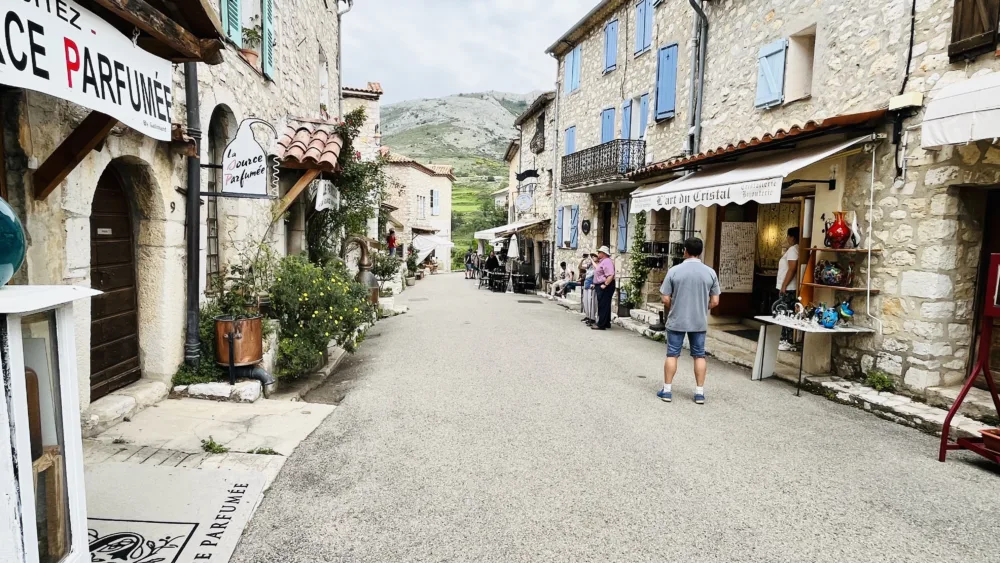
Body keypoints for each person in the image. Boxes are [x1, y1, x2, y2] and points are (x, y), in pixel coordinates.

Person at [658, 238, 721, 405]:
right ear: (700, 251)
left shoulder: (674, 271)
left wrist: (675, 306)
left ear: (685, 250)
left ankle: (667, 390)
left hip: (677, 319)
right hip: (699, 321)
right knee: (699, 355)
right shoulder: (710, 272)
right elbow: (715, 301)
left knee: (672, 354)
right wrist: (701, 307)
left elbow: (665, 298)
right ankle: (699, 393)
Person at [775, 227, 800, 351]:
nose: (787, 239)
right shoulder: (796, 249)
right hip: (791, 286)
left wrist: (784, 285)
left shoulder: (793, 250)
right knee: (787, 312)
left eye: (788, 236)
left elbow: (792, 268)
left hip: (789, 287)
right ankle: (786, 339)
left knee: (785, 312)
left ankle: (786, 340)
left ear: (792, 237)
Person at [592, 246, 616, 331]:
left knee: (603, 305)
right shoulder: (604, 261)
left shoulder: (607, 261)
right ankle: (606, 322)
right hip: (602, 285)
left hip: (605, 285)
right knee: (605, 304)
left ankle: (601, 324)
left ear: (603, 253)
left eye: (599, 252)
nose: (598, 253)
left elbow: (610, 274)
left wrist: (605, 284)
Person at [581, 252, 598, 325]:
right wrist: (582, 260)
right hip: (586, 284)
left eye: (594, 256)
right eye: (592, 256)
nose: (592, 257)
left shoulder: (598, 264)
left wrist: (592, 260)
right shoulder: (589, 265)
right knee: (585, 301)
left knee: (591, 302)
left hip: (592, 284)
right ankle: (588, 316)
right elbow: (580, 267)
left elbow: (597, 269)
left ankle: (592, 318)